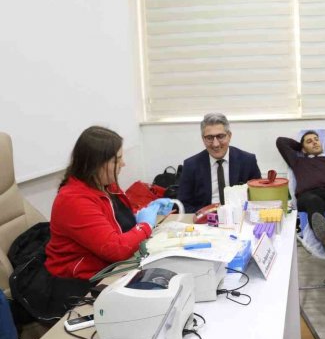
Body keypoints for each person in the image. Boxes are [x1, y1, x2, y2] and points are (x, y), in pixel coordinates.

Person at [46, 126, 172, 280]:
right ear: (96, 164)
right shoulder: (73, 200)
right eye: (117, 160)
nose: (123, 164)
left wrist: (145, 211)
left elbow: (116, 219)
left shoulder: (106, 185)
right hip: (84, 280)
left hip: (112, 266)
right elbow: (116, 249)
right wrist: (145, 225)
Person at [178, 113, 261, 213]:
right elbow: (183, 204)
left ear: (229, 136)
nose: (215, 144)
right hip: (205, 218)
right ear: (203, 139)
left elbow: (257, 199)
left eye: (220, 136)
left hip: (239, 216)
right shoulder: (191, 165)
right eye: (209, 138)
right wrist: (206, 216)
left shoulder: (248, 161)